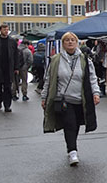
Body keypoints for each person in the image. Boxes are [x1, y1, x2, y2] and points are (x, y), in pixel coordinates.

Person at [41, 31, 100, 166]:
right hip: (64, 99)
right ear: (63, 43)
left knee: (76, 124)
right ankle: (72, 151)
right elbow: (48, 80)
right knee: (70, 124)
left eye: (73, 40)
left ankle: (72, 146)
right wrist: (44, 97)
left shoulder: (85, 59)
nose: (70, 42)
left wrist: (96, 93)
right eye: (67, 40)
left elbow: (92, 78)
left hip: (80, 99)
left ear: (77, 43)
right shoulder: (56, 60)